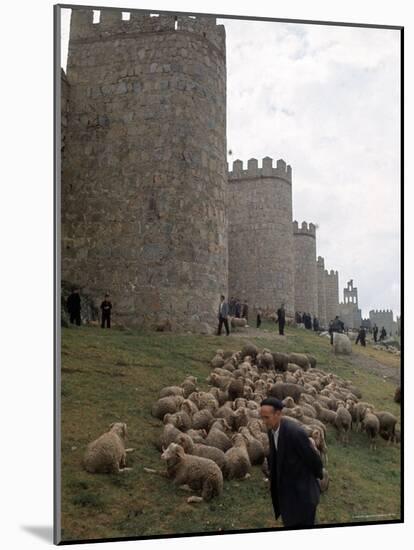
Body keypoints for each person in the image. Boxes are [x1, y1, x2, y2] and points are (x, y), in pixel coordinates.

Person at [260, 397, 323, 528]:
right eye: (262, 417)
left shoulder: (295, 433)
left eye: (267, 417)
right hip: (288, 492)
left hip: (303, 494)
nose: (264, 421)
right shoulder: (272, 431)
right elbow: (276, 456)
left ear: (278, 414)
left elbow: (314, 460)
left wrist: (314, 481)